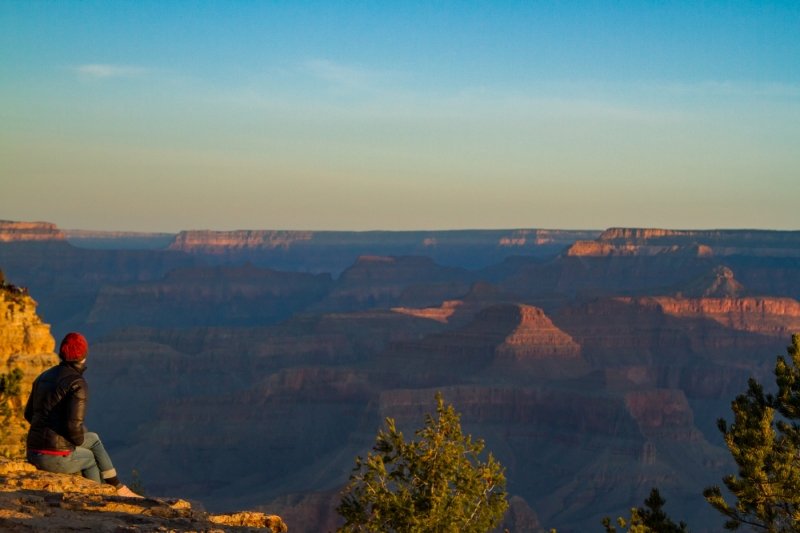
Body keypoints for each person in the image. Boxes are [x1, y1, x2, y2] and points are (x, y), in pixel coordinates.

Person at [24, 332, 142, 498]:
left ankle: (117, 487)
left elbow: (28, 414)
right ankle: (102, 497)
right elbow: (73, 427)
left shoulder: (43, 377)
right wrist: (74, 442)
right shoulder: (77, 383)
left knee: (93, 438)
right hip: (52, 456)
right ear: (84, 355)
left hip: (32, 451)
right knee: (90, 456)